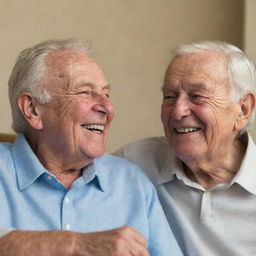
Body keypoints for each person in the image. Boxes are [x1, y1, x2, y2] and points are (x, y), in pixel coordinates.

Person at [0, 39, 183, 256]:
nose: (107, 107)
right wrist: (72, 245)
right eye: (85, 92)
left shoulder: (130, 182)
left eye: (106, 94)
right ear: (32, 109)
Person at [114, 41, 256, 256]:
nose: (178, 111)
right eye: (169, 97)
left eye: (197, 96)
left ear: (243, 109)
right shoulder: (134, 164)